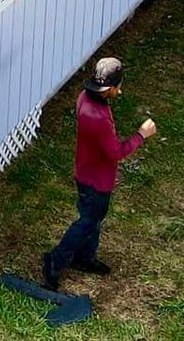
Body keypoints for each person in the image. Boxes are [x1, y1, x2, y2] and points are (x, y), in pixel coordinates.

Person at [42, 56, 156, 291]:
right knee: (87, 221)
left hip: (84, 170)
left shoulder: (85, 98)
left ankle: (85, 257)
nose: (119, 91)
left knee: (93, 219)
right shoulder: (99, 118)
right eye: (118, 87)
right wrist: (141, 135)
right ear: (111, 88)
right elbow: (115, 152)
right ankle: (55, 260)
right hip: (97, 180)